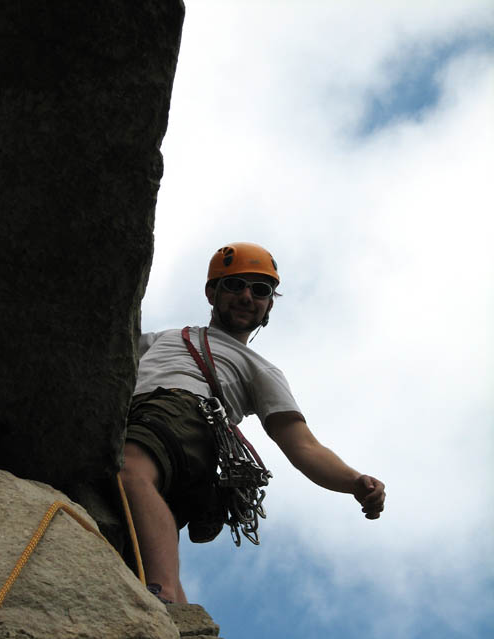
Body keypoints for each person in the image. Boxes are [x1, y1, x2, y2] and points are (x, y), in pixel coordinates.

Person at [119, 242, 385, 604]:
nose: (247, 296)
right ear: (212, 292)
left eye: (260, 290)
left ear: (269, 304)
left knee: (131, 471)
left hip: (184, 415)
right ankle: (181, 618)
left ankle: (161, 591)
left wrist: (353, 481)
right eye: (235, 285)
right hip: (137, 418)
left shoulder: (258, 368)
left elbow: (302, 445)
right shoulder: (162, 339)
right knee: (140, 505)